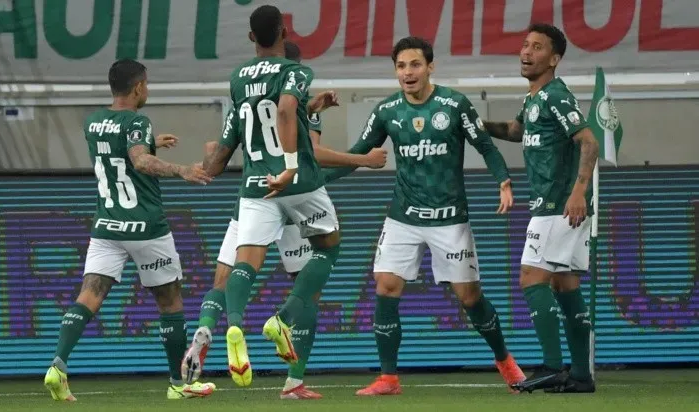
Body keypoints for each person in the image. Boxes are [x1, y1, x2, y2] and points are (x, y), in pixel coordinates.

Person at [321, 36, 526, 396]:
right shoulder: (387, 112)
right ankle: (388, 378)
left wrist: (503, 181)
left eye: (415, 65)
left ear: (430, 67)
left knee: (470, 297)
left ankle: (505, 361)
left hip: (450, 220)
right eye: (401, 66)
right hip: (403, 216)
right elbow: (357, 154)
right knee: (386, 285)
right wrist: (312, 181)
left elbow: (486, 145)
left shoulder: (454, 104)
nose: (408, 73)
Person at [182, 39, 386, 399]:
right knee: (310, 285)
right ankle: (293, 376)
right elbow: (312, 154)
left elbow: (220, 151)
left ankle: (216, 327)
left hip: (252, 195)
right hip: (295, 199)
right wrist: (361, 160)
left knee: (228, 275)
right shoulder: (296, 87)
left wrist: (199, 166)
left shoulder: (242, 90)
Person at [43, 59, 215, 401]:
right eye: (146, 85)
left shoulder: (93, 122)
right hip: (146, 227)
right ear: (137, 87)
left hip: (107, 225)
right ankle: (179, 385)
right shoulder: (138, 121)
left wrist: (150, 142)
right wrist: (181, 169)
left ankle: (58, 366)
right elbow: (138, 160)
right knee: (170, 302)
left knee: (89, 295)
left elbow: (121, 151)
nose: (147, 90)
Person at [200, 4, 347, 394]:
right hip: (297, 183)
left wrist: (201, 169)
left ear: (252, 38)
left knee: (244, 262)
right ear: (284, 31)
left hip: (254, 186)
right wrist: (289, 166)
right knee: (328, 247)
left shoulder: (237, 78)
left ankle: (234, 326)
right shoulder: (295, 71)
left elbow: (236, 139)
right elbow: (283, 108)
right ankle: (282, 319)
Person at [483, 23, 599, 394]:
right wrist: (474, 125)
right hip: (557, 205)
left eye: (537, 47)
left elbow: (589, 142)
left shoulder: (554, 96)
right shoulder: (535, 99)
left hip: (558, 204)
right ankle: (581, 375)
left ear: (555, 58)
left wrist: (578, 191)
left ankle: (552, 366)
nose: (526, 52)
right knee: (566, 285)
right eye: (525, 45)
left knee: (531, 280)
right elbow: (517, 131)